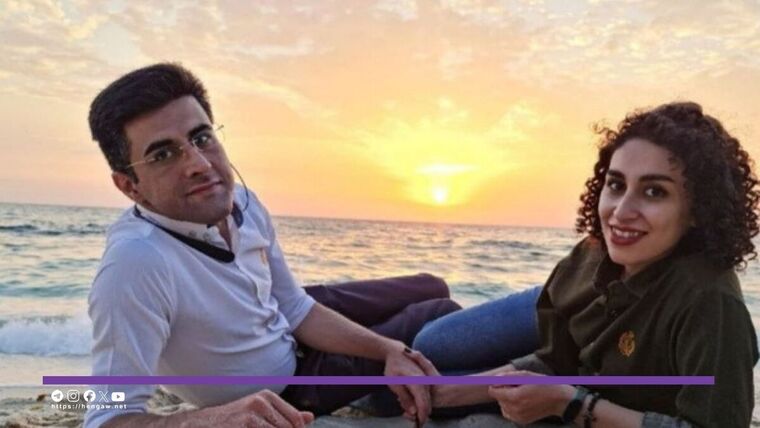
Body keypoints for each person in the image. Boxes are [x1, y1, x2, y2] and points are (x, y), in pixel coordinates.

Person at [83, 63, 461, 428]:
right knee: (439, 312)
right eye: (163, 155)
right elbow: (105, 415)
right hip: (288, 384)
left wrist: (388, 349)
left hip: (278, 315)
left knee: (432, 286)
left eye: (201, 138)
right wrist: (208, 420)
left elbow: (294, 307)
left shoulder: (243, 201)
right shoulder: (136, 264)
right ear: (129, 186)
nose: (199, 164)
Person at [414, 101, 759, 427]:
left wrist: (572, 405)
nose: (621, 212)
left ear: (699, 210)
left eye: (654, 192)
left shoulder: (710, 304)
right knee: (430, 346)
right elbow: (556, 361)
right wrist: (444, 395)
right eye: (616, 184)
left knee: (424, 376)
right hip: (575, 308)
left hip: (598, 373)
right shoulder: (592, 254)